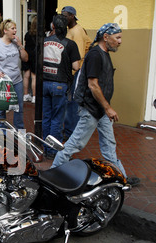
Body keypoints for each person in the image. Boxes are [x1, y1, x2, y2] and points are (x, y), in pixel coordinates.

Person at [51, 23, 140, 186]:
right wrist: (108, 108)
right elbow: (93, 85)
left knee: (109, 144)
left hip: (101, 110)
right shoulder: (95, 55)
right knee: (75, 143)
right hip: (92, 110)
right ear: (106, 37)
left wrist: (105, 108)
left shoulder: (104, 53)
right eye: (117, 37)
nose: (120, 41)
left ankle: (121, 178)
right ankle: (53, 172)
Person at [42, 15, 80, 159]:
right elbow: (76, 66)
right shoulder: (70, 44)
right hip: (60, 85)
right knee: (57, 119)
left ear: (53, 26)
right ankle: (52, 150)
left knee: (46, 117)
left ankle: (45, 147)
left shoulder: (44, 41)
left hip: (44, 83)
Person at [0, 19, 28, 130]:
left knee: (19, 108)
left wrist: (20, 45)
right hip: (2, 82)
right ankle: (1, 133)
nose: (15, 30)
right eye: (12, 28)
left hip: (17, 81)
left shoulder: (15, 43)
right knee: (1, 110)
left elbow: (25, 58)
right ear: (5, 30)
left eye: (15, 28)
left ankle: (20, 132)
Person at [61, 6, 91, 139]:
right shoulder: (70, 30)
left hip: (75, 72)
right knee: (70, 101)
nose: (63, 17)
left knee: (72, 101)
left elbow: (77, 57)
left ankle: (70, 132)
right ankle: (69, 129)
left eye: (65, 15)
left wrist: (72, 74)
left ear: (72, 16)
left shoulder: (77, 31)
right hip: (71, 72)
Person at [22, 15, 37, 104]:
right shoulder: (41, 34)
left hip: (27, 55)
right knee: (34, 77)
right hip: (35, 56)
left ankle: (25, 94)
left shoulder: (27, 34)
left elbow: (26, 44)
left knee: (26, 76)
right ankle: (34, 96)